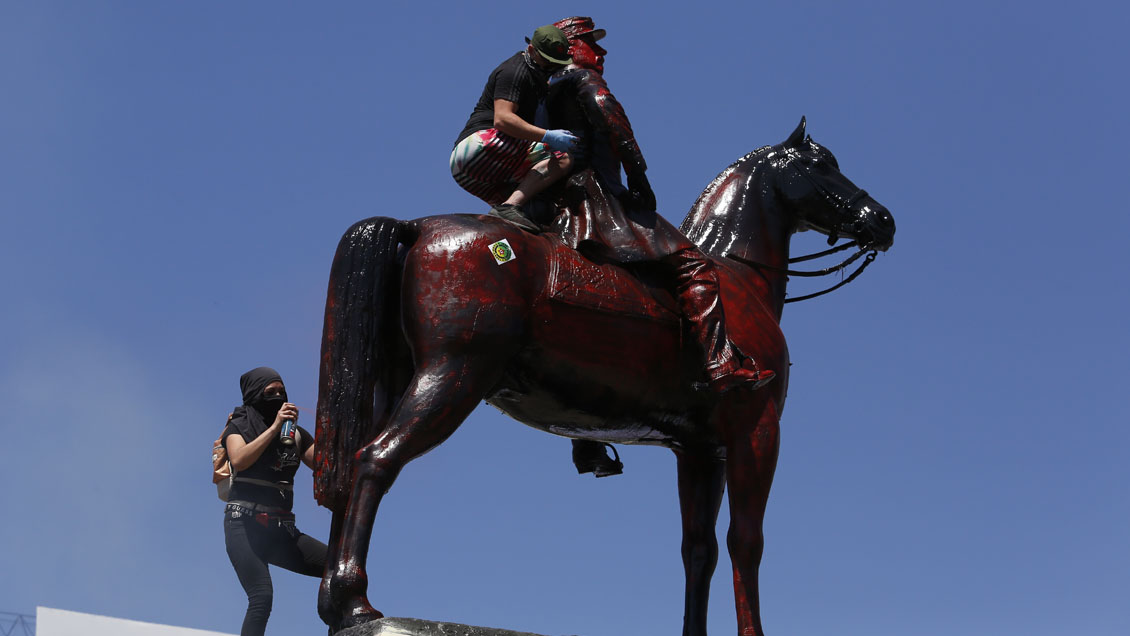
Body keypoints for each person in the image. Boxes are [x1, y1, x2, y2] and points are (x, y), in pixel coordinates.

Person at [543, 16, 776, 395]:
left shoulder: (547, 90)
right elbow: (613, 123)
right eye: (590, 42)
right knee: (694, 265)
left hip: (556, 198)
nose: (600, 51)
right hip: (599, 197)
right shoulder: (585, 81)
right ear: (569, 47)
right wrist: (638, 176)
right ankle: (721, 364)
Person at [221, 366, 326, 636]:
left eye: (282, 391)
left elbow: (324, 465)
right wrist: (275, 427)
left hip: (281, 530)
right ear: (255, 394)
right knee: (261, 598)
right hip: (243, 526)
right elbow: (240, 460)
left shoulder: (296, 435)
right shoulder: (239, 425)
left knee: (338, 568)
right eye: (270, 392)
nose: (278, 396)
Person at [451, 24, 581, 229]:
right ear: (531, 50)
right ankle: (510, 206)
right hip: (480, 146)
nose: (548, 69)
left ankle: (504, 229)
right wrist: (548, 136)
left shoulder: (536, 76)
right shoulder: (515, 71)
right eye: (546, 63)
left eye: (554, 65)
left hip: (471, 173)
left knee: (519, 217)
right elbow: (503, 119)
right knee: (562, 159)